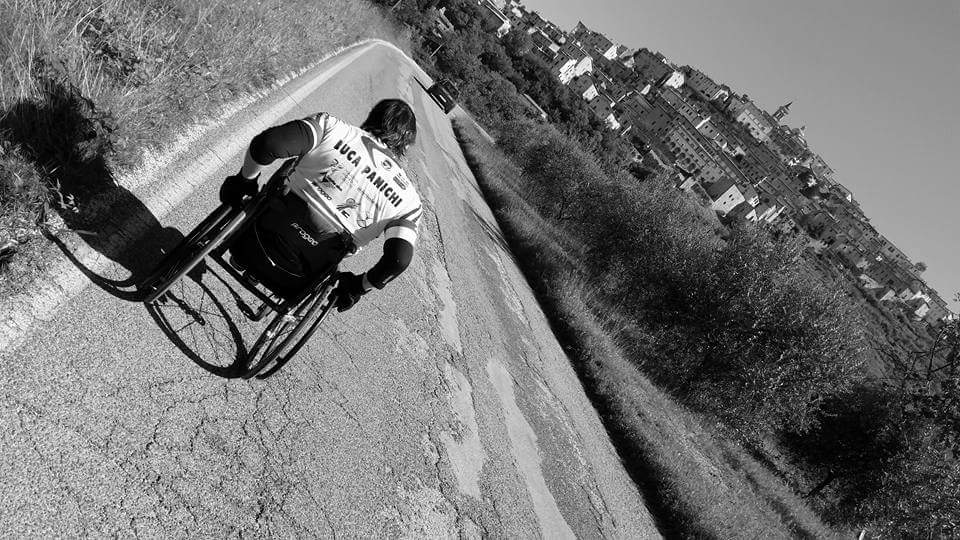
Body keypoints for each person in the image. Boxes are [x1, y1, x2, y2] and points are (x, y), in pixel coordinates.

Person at [218, 99, 422, 312]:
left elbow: (267, 144)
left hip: (255, 236)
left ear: (371, 118)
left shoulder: (332, 127)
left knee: (274, 191)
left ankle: (247, 256)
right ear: (405, 146)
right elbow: (399, 260)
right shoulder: (409, 201)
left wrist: (244, 182)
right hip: (302, 274)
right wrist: (358, 287)